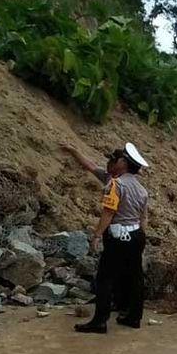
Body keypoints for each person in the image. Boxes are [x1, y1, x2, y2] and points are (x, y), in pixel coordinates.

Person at [61, 142, 150, 333]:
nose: (112, 162)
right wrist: (141, 237)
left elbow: (108, 213)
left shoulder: (115, 184)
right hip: (136, 235)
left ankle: (100, 320)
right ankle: (134, 317)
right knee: (135, 277)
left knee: (104, 278)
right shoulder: (141, 189)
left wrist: (96, 235)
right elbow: (143, 218)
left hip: (119, 236)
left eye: (116, 160)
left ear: (124, 163)